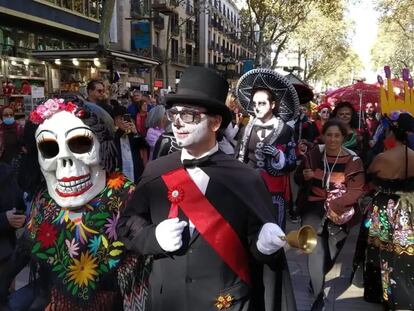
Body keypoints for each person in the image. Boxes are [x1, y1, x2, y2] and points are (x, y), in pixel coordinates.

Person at [117, 66, 296, 311]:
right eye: (174, 113)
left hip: (226, 303)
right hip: (168, 300)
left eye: (189, 115)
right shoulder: (156, 170)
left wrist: (265, 246)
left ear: (215, 123)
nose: (178, 122)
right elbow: (127, 225)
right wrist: (154, 236)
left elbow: (259, 250)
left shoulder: (246, 178)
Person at [0, 98, 144, 311]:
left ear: (103, 148)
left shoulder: (125, 198)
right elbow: (26, 247)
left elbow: (142, 260)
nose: (64, 161)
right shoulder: (45, 200)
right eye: (49, 148)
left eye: (80, 143)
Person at [294, 119, 365, 310]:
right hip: (313, 206)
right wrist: (305, 175)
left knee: (331, 254)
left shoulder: (353, 159)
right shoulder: (314, 153)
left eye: (337, 135)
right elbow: (297, 177)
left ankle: (316, 277)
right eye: (329, 135)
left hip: (340, 211)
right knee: (315, 247)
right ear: (323, 136)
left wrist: (336, 204)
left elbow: (357, 190)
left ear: (343, 137)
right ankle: (318, 298)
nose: (332, 139)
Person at [235, 68, 298, 229]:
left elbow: (292, 163)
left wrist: (279, 156)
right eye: (255, 104)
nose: (257, 107)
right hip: (249, 188)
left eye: (262, 103)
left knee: (273, 232)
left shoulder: (285, 131)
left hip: (274, 191)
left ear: (272, 104)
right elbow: (238, 159)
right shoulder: (246, 129)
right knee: (250, 231)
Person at [364, 112, 414, 310]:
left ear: (392, 131)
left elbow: (369, 177)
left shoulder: (383, 157)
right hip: (408, 208)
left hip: (385, 207)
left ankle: (383, 294)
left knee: (382, 250)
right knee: (404, 252)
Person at [113, 104, 148, 183]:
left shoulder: (133, 132)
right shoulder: (113, 134)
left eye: (124, 118)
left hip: (136, 170)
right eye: (120, 118)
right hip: (120, 173)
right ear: (115, 120)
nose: (123, 121)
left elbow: (144, 145)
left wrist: (135, 132)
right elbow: (114, 144)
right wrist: (121, 130)